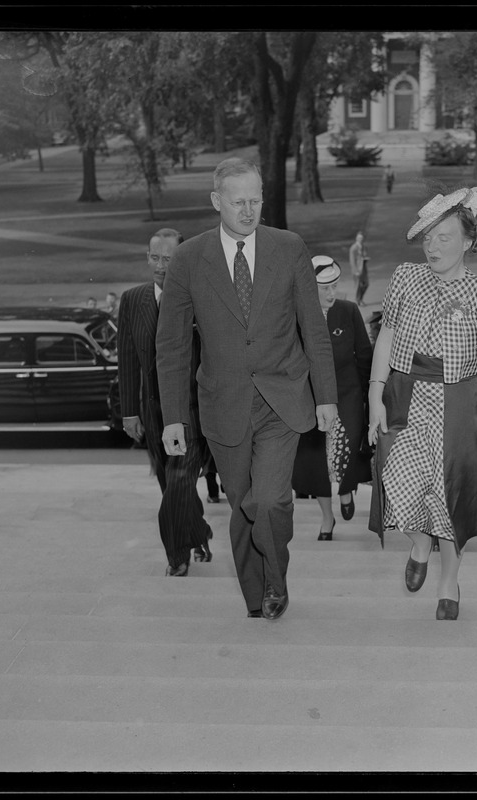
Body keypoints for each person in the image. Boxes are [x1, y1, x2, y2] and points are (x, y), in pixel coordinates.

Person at [156, 157, 337, 620]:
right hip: (224, 403)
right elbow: (172, 345)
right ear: (217, 201)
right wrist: (173, 416)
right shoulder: (188, 258)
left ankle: (276, 581)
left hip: (284, 397)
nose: (249, 210)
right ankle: (255, 597)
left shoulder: (289, 247)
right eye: (238, 202)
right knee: (242, 505)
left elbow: (313, 327)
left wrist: (327, 397)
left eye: (255, 199)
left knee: (270, 500)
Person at [367, 186, 477, 621]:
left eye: (444, 237)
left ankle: (449, 580)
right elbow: (387, 336)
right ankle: (419, 543)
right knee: (401, 486)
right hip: (404, 398)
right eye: (428, 237)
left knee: (450, 500)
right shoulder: (405, 278)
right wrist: (375, 394)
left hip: (459, 402)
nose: (433, 246)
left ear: (468, 242)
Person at [118, 228, 215, 577]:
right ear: (147, 258)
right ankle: (198, 532)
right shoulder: (132, 300)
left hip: (191, 412)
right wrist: (130, 411)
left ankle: (177, 556)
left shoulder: (201, 298)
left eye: (169, 259)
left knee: (178, 484)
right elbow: (127, 359)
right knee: (170, 485)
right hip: (154, 411)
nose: (161, 266)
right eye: (155, 258)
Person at [292, 256, 373, 540]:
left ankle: (347, 489)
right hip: (312, 399)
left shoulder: (348, 312)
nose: (331, 293)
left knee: (345, 448)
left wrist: (369, 398)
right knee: (315, 460)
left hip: (348, 395)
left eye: (334, 286)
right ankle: (327, 518)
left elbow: (364, 356)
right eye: (324, 288)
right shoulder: (295, 317)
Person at [349, 231, 369, 306]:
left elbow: (364, 256)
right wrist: (355, 271)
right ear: (356, 238)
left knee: (366, 284)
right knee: (358, 285)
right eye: (359, 238)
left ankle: (360, 298)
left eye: (362, 238)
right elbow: (352, 261)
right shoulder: (353, 248)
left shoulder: (364, 247)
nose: (361, 239)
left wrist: (365, 259)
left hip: (363, 269)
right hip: (357, 269)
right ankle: (358, 300)